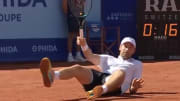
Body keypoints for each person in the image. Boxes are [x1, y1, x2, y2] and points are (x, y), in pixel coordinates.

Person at [39, 36, 144, 100]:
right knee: (77, 68)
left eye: (130, 47)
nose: (127, 49)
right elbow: (90, 56)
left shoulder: (137, 64)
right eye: (125, 46)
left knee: (121, 72)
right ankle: (52, 76)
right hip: (101, 79)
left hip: (115, 86)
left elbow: (132, 88)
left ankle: (100, 91)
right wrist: (84, 45)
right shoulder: (108, 58)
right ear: (120, 47)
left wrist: (133, 88)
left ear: (133, 51)